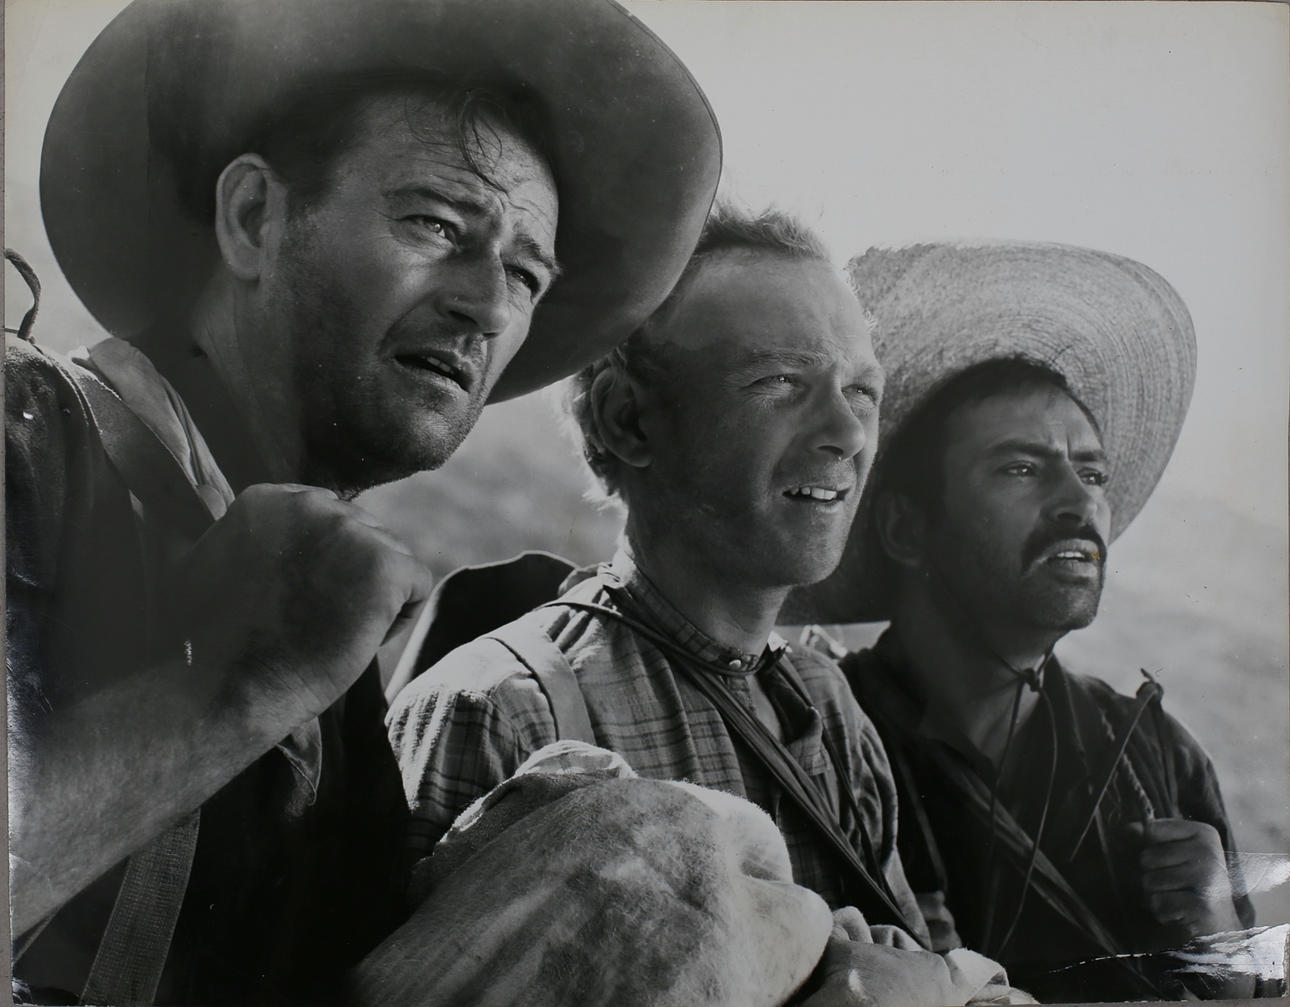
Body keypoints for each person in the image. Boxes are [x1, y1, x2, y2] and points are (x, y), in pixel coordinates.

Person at [6, 0, 720, 1002]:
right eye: (436, 223)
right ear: (253, 218)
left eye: (526, 273)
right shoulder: (27, 432)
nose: (487, 305)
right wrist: (242, 682)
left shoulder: (334, 624)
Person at [388, 206, 975, 991]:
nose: (848, 431)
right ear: (628, 419)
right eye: (781, 382)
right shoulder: (503, 711)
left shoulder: (828, 707)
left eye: (861, 390)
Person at [788, 241, 1256, 1001]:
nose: (1079, 502)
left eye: (1092, 471)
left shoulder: (1158, 757)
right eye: (1021, 468)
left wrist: (1218, 936)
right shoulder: (822, 740)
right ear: (907, 528)